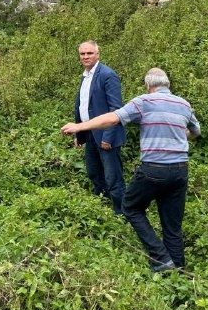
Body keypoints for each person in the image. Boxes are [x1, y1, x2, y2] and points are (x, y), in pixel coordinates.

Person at [62, 67, 200, 272]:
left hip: (153, 169)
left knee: (130, 207)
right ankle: (178, 271)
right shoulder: (183, 104)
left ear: (147, 85)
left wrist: (80, 127)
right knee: (172, 225)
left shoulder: (144, 101)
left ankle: (161, 258)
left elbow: (111, 118)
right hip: (180, 170)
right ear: (168, 85)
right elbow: (195, 132)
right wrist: (176, 133)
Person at [71, 41, 126, 215]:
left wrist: (108, 136)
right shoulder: (85, 75)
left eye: (89, 53)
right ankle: (101, 207)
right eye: (82, 54)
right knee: (94, 173)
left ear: (97, 54)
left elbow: (116, 109)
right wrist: (79, 133)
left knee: (113, 177)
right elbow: (82, 105)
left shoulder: (107, 75)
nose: (86, 57)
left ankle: (121, 212)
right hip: (90, 135)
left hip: (105, 135)